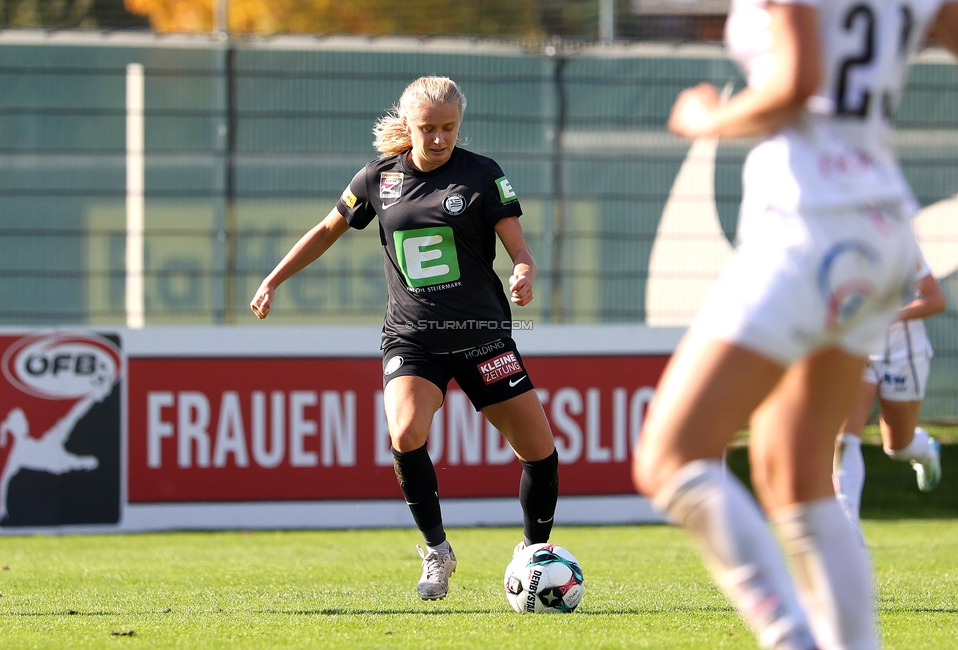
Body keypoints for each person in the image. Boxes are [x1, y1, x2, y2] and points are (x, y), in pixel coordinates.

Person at [633, 1, 958, 649]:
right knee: (795, 475)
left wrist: (704, 118)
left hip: (811, 222)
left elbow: (795, 86)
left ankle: (791, 639)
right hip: (881, 223)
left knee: (669, 458)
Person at [250, 76, 559, 602]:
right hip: (412, 337)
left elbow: (519, 248)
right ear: (408, 123)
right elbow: (327, 229)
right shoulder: (377, 178)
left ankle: (534, 553)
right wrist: (273, 278)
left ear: (459, 124)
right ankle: (436, 551)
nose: (438, 138)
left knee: (538, 449)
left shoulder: (483, 174)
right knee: (405, 431)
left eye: (448, 128)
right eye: (427, 128)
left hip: (480, 335)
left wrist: (524, 271)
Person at [834, 247, 946, 528]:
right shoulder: (830, 241)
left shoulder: (900, 244)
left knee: (897, 447)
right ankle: (848, 523)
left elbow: (935, 300)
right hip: (861, 352)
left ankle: (925, 451)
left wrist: (890, 317)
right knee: (845, 435)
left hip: (904, 356)